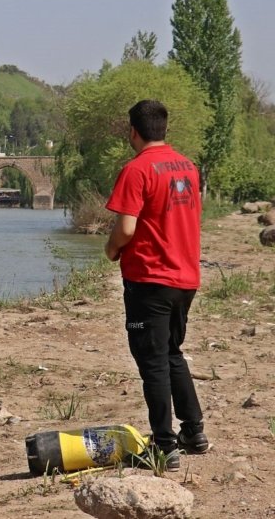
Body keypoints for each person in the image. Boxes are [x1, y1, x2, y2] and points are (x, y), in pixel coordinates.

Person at [104, 99, 208, 470]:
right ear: (164, 129)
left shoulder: (136, 170)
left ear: (133, 130)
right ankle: (193, 431)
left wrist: (112, 248)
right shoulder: (187, 166)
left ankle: (164, 445)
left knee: (152, 362)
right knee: (171, 352)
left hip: (150, 279)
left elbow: (127, 227)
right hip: (186, 277)